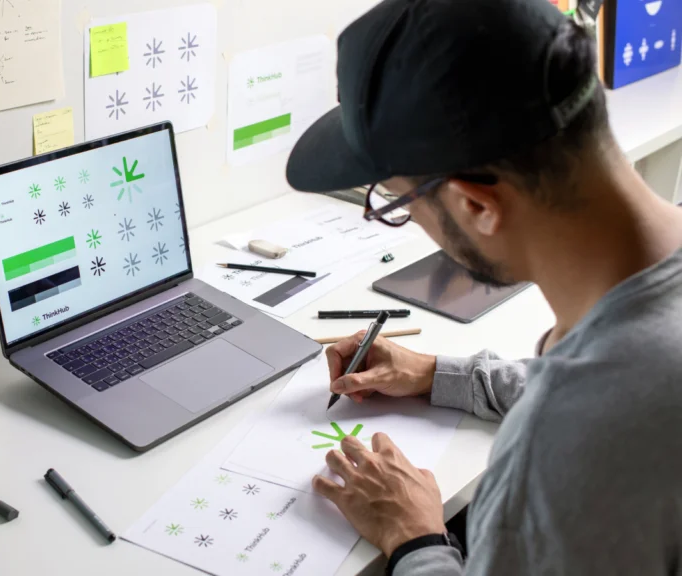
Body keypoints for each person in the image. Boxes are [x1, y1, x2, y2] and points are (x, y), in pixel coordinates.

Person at [284, 0, 682, 574]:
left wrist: (415, 537)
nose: (407, 220)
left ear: (476, 204)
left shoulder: (565, 446)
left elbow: (603, 414)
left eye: (396, 203)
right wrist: (440, 374)